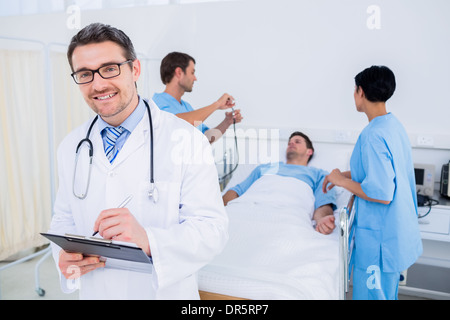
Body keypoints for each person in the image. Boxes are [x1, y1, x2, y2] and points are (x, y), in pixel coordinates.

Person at [48, 23, 228, 300]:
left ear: (135, 70)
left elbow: (212, 230)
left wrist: (149, 240)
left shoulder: (187, 139)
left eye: (109, 68)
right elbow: (63, 218)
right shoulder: (71, 146)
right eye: (85, 74)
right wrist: (63, 257)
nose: (98, 84)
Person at [322, 65, 422, 300]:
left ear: (360, 91)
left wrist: (341, 182)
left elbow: (382, 191)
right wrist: (343, 176)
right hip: (394, 230)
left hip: (380, 239)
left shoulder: (372, 136)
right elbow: (380, 171)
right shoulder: (392, 125)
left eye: (354, 90)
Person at [223, 131, 337, 235]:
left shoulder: (319, 174)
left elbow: (323, 204)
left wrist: (323, 220)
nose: (291, 144)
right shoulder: (265, 167)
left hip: (289, 214)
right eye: (289, 143)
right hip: (245, 210)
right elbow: (237, 191)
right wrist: (220, 208)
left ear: (309, 151)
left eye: (297, 142)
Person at [153, 52, 243, 143]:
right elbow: (179, 124)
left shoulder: (186, 107)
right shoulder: (157, 103)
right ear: (179, 72)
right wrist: (217, 104)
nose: (195, 78)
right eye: (192, 73)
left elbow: (206, 137)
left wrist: (227, 122)